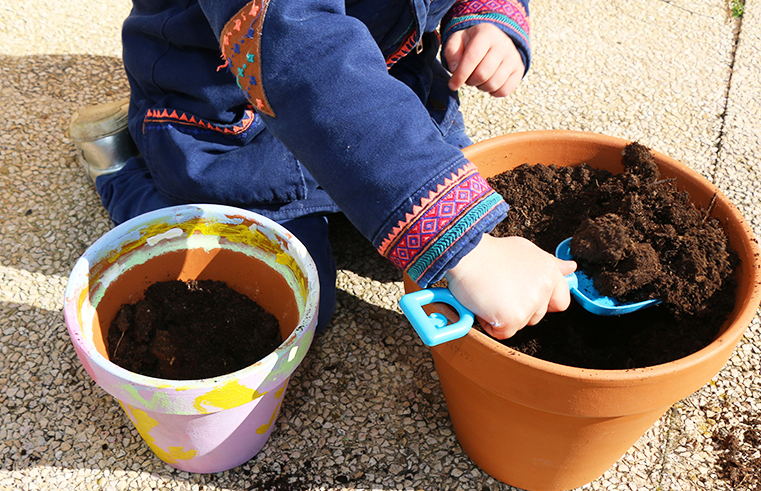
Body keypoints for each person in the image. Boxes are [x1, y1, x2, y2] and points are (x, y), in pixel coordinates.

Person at [70, 0, 575, 339]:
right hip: (232, 121)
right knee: (285, 304)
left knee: (475, 222)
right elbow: (296, 48)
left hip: (383, 84)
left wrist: (488, 15)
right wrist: (464, 246)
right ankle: (122, 168)